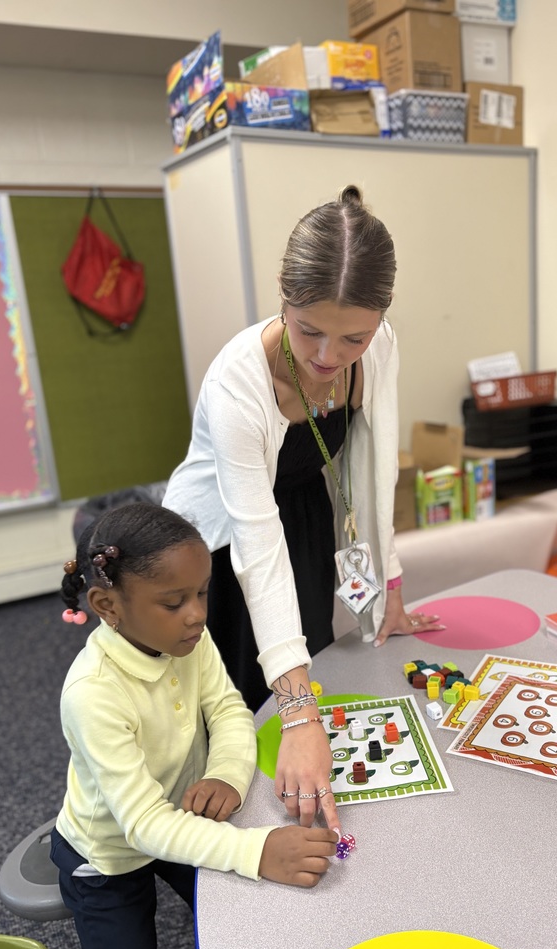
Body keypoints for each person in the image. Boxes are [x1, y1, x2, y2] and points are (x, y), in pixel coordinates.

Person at [163, 184, 445, 836]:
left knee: (310, 654)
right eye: (309, 330)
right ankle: (228, 843)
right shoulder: (239, 379)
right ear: (284, 302)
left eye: (353, 338)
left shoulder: (378, 347)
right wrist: (298, 716)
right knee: (234, 697)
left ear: (379, 320)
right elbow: (255, 548)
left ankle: (301, 802)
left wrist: (388, 590)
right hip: (218, 537)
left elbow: (374, 473)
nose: (327, 357)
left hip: (304, 513)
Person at [51, 502, 337, 949]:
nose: (198, 614)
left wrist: (224, 772)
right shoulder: (92, 694)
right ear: (106, 604)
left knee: (255, 921)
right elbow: (141, 826)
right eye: (174, 601)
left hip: (180, 818)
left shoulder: (191, 638)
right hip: (109, 857)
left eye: (202, 592)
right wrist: (256, 848)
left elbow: (228, 709)